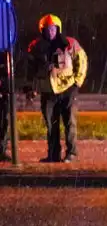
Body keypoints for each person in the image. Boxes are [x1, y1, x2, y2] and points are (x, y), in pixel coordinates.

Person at [25, 14, 87, 163]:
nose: (50, 32)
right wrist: (30, 88)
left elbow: (82, 60)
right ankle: (53, 155)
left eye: (53, 29)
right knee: (51, 126)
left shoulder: (70, 44)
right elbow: (29, 70)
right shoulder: (34, 47)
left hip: (68, 90)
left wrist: (77, 82)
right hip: (48, 91)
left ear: (58, 29)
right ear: (42, 30)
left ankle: (72, 154)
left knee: (69, 123)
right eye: (47, 29)